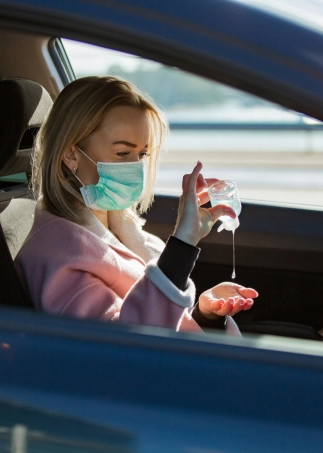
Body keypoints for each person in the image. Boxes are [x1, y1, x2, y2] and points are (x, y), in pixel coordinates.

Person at [15, 76, 258, 334]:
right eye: (122, 153)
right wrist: (182, 244)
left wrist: (204, 315)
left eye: (141, 154)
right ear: (71, 154)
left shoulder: (122, 231)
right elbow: (126, 350)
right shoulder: (57, 253)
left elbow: (156, 316)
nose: (136, 166)